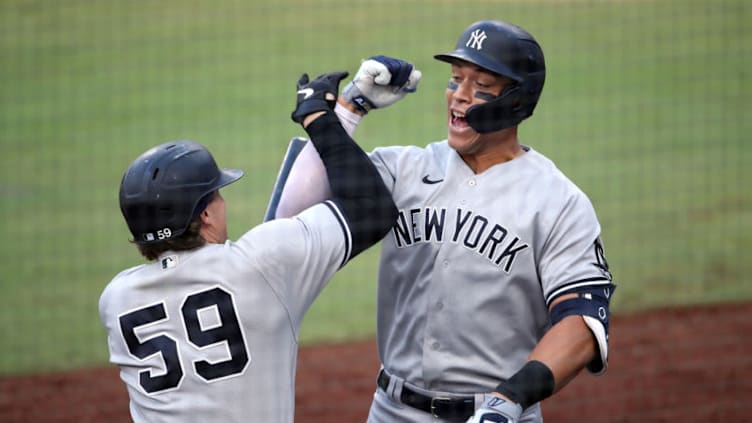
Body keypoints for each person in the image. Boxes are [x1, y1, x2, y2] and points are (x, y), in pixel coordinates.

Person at [274, 20, 615, 423]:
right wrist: (348, 110)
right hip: (391, 412)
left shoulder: (557, 202)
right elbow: (285, 226)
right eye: (455, 80)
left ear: (517, 102)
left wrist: (509, 400)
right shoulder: (402, 169)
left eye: (481, 87)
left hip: (498, 415)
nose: (460, 97)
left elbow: (582, 322)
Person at [98, 70, 397, 423]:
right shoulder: (261, 265)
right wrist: (321, 116)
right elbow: (371, 209)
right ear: (206, 214)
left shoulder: (116, 299)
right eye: (218, 193)